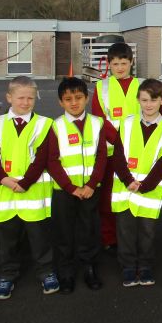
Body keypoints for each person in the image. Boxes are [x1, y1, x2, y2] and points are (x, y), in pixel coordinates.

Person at [0, 76, 59, 299]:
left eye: (30, 98)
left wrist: (25, 182)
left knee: (40, 238)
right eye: (20, 98)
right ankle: (6, 275)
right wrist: (3, 179)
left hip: (33, 193)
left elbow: (43, 158)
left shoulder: (45, 124)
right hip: (5, 194)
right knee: (6, 240)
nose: (25, 102)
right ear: (9, 98)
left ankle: (46, 272)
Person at [111, 79, 162, 287]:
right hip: (125, 188)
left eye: (154, 100)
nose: (149, 104)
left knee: (148, 231)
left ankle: (146, 266)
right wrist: (128, 180)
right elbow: (118, 155)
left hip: (149, 191)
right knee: (125, 231)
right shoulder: (126, 123)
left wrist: (145, 185)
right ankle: (128, 266)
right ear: (138, 100)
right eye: (145, 100)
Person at [46, 77, 107, 293]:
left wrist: (91, 184)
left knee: (89, 231)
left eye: (79, 97)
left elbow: (102, 156)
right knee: (64, 233)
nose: (74, 103)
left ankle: (90, 268)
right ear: (60, 102)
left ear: (87, 98)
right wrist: (71, 187)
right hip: (65, 191)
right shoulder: (55, 126)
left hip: (90, 190)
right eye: (68, 99)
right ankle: (66, 272)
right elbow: (52, 161)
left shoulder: (98, 123)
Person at [92, 42, 139, 251]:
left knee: (134, 194)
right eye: (115, 64)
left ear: (131, 62)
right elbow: (99, 119)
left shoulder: (141, 85)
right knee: (109, 197)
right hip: (111, 152)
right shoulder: (101, 87)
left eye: (124, 63)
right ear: (109, 64)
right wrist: (120, 142)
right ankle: (109, 238)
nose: (120, 68)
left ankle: (133, 237)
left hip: (138, 151)